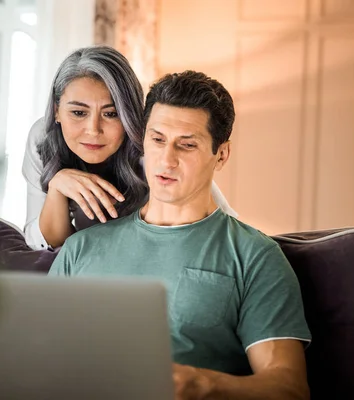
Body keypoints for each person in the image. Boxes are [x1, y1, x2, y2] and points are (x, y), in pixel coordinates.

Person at [49, 71, 311, 399]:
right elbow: (35, 365)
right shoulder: (79, 250)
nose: (167, 160)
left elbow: (289, 388)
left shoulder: (255, 256)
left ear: (221, 155)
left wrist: (204, 384)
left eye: (186, 145)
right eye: (157, 140)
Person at [22, 46, 236, 251]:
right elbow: (40, 242)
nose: (93, 130)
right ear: (56, 110)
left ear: (129, 116)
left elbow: (222, 221)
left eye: (111, 114)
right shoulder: (43, 139)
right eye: (79, 113)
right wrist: (57, 186)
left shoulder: (151, 147)